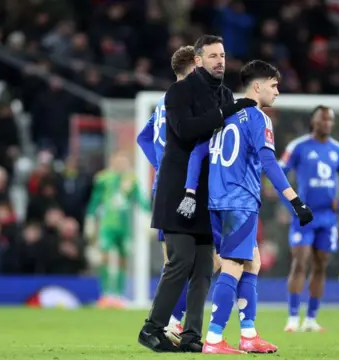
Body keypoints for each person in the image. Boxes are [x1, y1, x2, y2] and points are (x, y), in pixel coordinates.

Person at [180, 60, 313, 354]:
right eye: (274, 85)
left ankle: (249, 334)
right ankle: (214, 338)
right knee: (233, 265)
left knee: (252, 261)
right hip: (239, 203)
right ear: (257, 86)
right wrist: (295, 201)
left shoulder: (223, 114)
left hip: (215, 201)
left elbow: (197, 153)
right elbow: (269, 163)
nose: (277, 92)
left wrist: (191, 191)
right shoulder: (257, 117)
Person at [138, 35, 256, 353]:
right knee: (180, 260)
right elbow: (186, 131)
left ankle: (191, 335)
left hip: (210, 192)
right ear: (199, 60)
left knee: (205, 265)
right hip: (178, 189)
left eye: (223, 54)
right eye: (213, 55)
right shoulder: (178, 92)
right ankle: (151, 329)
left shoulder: (226, 94)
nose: (220, 60)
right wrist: (225, 113)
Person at [136, 45, 197, 343]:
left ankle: (167, 322)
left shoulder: (162, 101)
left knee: (175, 261)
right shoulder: (186, 99)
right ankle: (171, 320)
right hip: (183, 187)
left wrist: (161, 163)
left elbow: (143, 137)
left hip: (164, 186)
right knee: (194, 261)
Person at [279, 105, 339, 332]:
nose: (327, 124)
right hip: (304, 216)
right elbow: (279, 174)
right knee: (299, 261)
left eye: (330, 120)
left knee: (321, 265)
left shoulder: (338, 151)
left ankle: (311, 319)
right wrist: (292, 206)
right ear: (313, 121)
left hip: (327, 218)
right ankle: (293, 318)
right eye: (323, 120)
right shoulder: (298, 147)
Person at [86, 151, 149, 308]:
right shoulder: (104, 178)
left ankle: (118, 295)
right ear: (112, 162)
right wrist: (90, 218)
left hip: (124, 227)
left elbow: (140, 199)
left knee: (123, 260)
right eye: (118, 161)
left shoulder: (130, 180)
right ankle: (106, 294)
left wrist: (148, 215)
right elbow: (95, 199)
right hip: (107, 225)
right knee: (105, 257)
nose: (121, 164)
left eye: (124, 161)